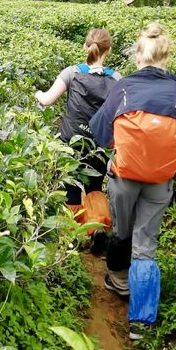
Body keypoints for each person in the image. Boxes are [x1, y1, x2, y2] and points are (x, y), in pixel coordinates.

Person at [89, 22, 176, 341]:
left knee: (122, 231)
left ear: (139, 55)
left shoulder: (124, 87)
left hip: (124, 177)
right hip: (160, 181)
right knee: (146, 245)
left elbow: (99, 132)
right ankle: (141, 322)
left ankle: (119, 282)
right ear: (166, 56)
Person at [35, 29, 122, 254]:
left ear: (86, 47)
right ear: (108, 51)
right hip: (101, 145)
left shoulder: (72, 73)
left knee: (71, 187)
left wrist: (37, 94)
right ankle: (97, 228)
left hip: (71, 142)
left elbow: (47, 100)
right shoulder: (116, 79)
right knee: (94, 186)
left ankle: (71, 238)